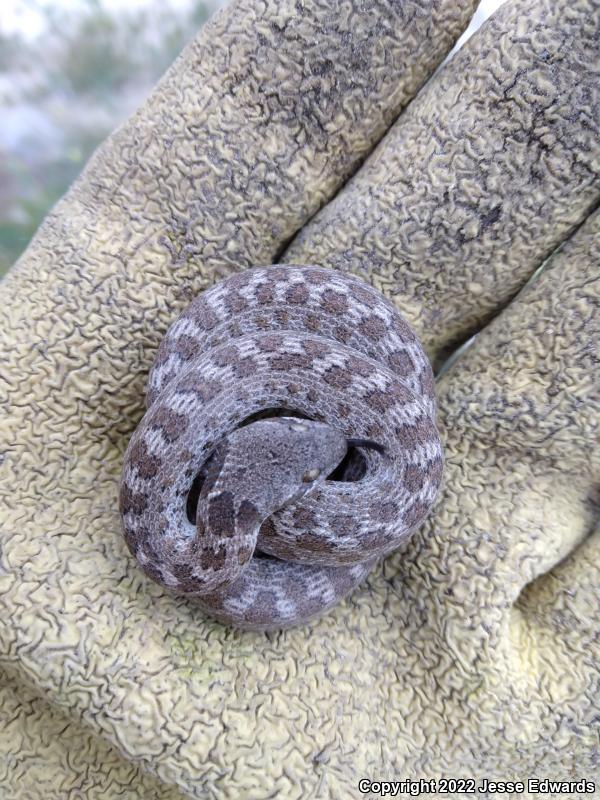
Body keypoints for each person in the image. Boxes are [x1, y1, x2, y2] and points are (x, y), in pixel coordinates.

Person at [0, 0, 598, 795]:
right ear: (228, 477)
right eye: (306, 452)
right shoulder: (205, 511)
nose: (332, 448)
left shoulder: (226, 461)